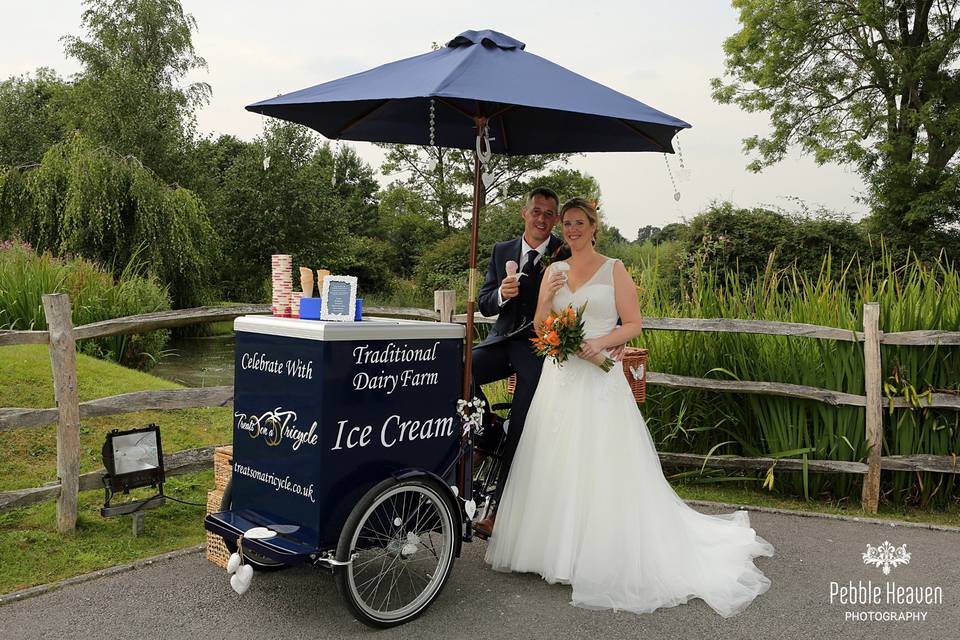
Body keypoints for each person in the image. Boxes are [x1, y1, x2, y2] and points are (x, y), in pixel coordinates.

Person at [484, 197, 775, 618]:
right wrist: (546, 299)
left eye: (579, 222)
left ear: (593, 226)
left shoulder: (614, 268)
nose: (571, 229)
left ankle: (595, 553)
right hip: (561, 377)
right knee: (554, 458)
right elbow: (542, 326)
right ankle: (551, 553)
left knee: (601, 462)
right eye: (566, 223)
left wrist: (600, 342)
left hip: (600, 378)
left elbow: (634, 322)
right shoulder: (554, 270)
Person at [470, 186, 564, 538]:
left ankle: (498, 511)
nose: (541, 219)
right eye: (536, 211)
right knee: (463, 368)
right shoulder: (501, 251)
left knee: (523, 424)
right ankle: (487, 431)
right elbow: (484, 302)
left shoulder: (563, 252)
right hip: (501, 339)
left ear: (554, 219)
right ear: (524, 213)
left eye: (548, 214)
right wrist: (499, 294)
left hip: (537, 348)